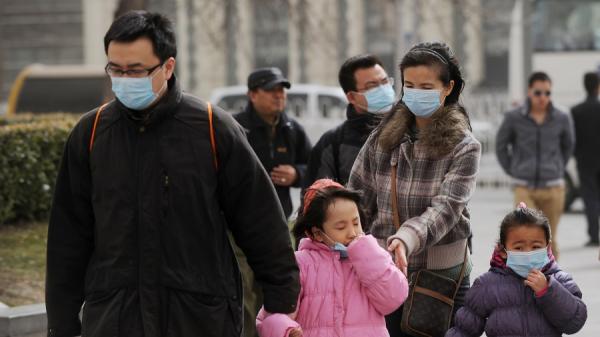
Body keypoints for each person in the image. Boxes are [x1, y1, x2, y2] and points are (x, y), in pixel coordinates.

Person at [45, 11, 299, 337]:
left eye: (136, 70)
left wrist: (281, 302)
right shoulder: (91, 133)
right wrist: (61, 323)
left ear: (168, 66)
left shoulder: (212, 128)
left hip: (198, 316)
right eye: (115, 69)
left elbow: (261, 222)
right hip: (116, 316)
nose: (124, 78)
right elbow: (69, 236)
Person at [348, 42, 481, 337]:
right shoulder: (381, 138)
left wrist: (407, 238)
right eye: (409, 85)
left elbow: (447, 208)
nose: (416, 93)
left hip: (441, 277)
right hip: (384, 273)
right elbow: (357, 196)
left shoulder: (464, 146)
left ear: (448, 87)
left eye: (426, 86)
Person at [256, 179, 409, 337]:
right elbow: (270, 316)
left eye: (356, 223)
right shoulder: (300, 264)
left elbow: (393, 299)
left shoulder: (372, 256)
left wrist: (365, 253)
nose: (352, 233)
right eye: (341, 227)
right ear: (317, 233)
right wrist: (286, 330)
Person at [446, 203, 587, 337]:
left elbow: (575, 322)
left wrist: (547, 290)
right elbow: (464, 330)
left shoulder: (559, 279)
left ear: (548, 247)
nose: (527, 253)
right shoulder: (487, 285)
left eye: (536, 247)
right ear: (503, 251)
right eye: (519, 248)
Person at [496, 71, 575, 259]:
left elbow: (568, 146)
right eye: (538, 92)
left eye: (547, 93)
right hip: (524, 188)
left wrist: (557, 168)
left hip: (553, 188)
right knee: (525, 238)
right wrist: (514, 169)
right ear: (529, 92)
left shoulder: (562, 117)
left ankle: (551, 283)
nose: (543, 98)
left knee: (549, 240)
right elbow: (501, 146)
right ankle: (524, 282)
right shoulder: (514, 117)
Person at [305, 54, 395, 187]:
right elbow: (318, 197)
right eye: (372, 86)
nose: (383, 90)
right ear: (352, 97)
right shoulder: (333, 143)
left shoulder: (411, 130)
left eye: (385, 82)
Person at [235, 67, 312, 219]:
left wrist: (296, 174)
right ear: (253, 95)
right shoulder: (235, 128)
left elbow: (313, 167)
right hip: (239, 221)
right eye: (271, 90)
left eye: (282, 90)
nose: (279, 95)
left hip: (280, 220)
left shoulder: (293, 129)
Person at [571, 72, 600, 247]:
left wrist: (576, 155)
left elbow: (572, 138)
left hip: (585, 161)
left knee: (589, 197)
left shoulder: (576, 111)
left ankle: (594, 235)